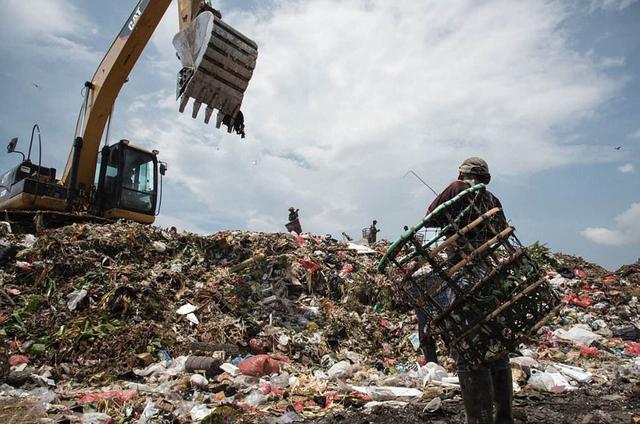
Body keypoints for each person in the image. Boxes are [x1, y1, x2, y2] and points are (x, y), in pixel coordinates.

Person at [419, 157, 513, 424]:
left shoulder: (456, 188)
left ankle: (479, 420)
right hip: (489, 275)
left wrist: (452, 221)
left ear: (463, 174)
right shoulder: (492, 200)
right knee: (496, 346)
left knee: (468, 349)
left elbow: (429, 220)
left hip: (461, 276)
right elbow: (502, 231)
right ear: (485, 178)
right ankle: (503, 418)